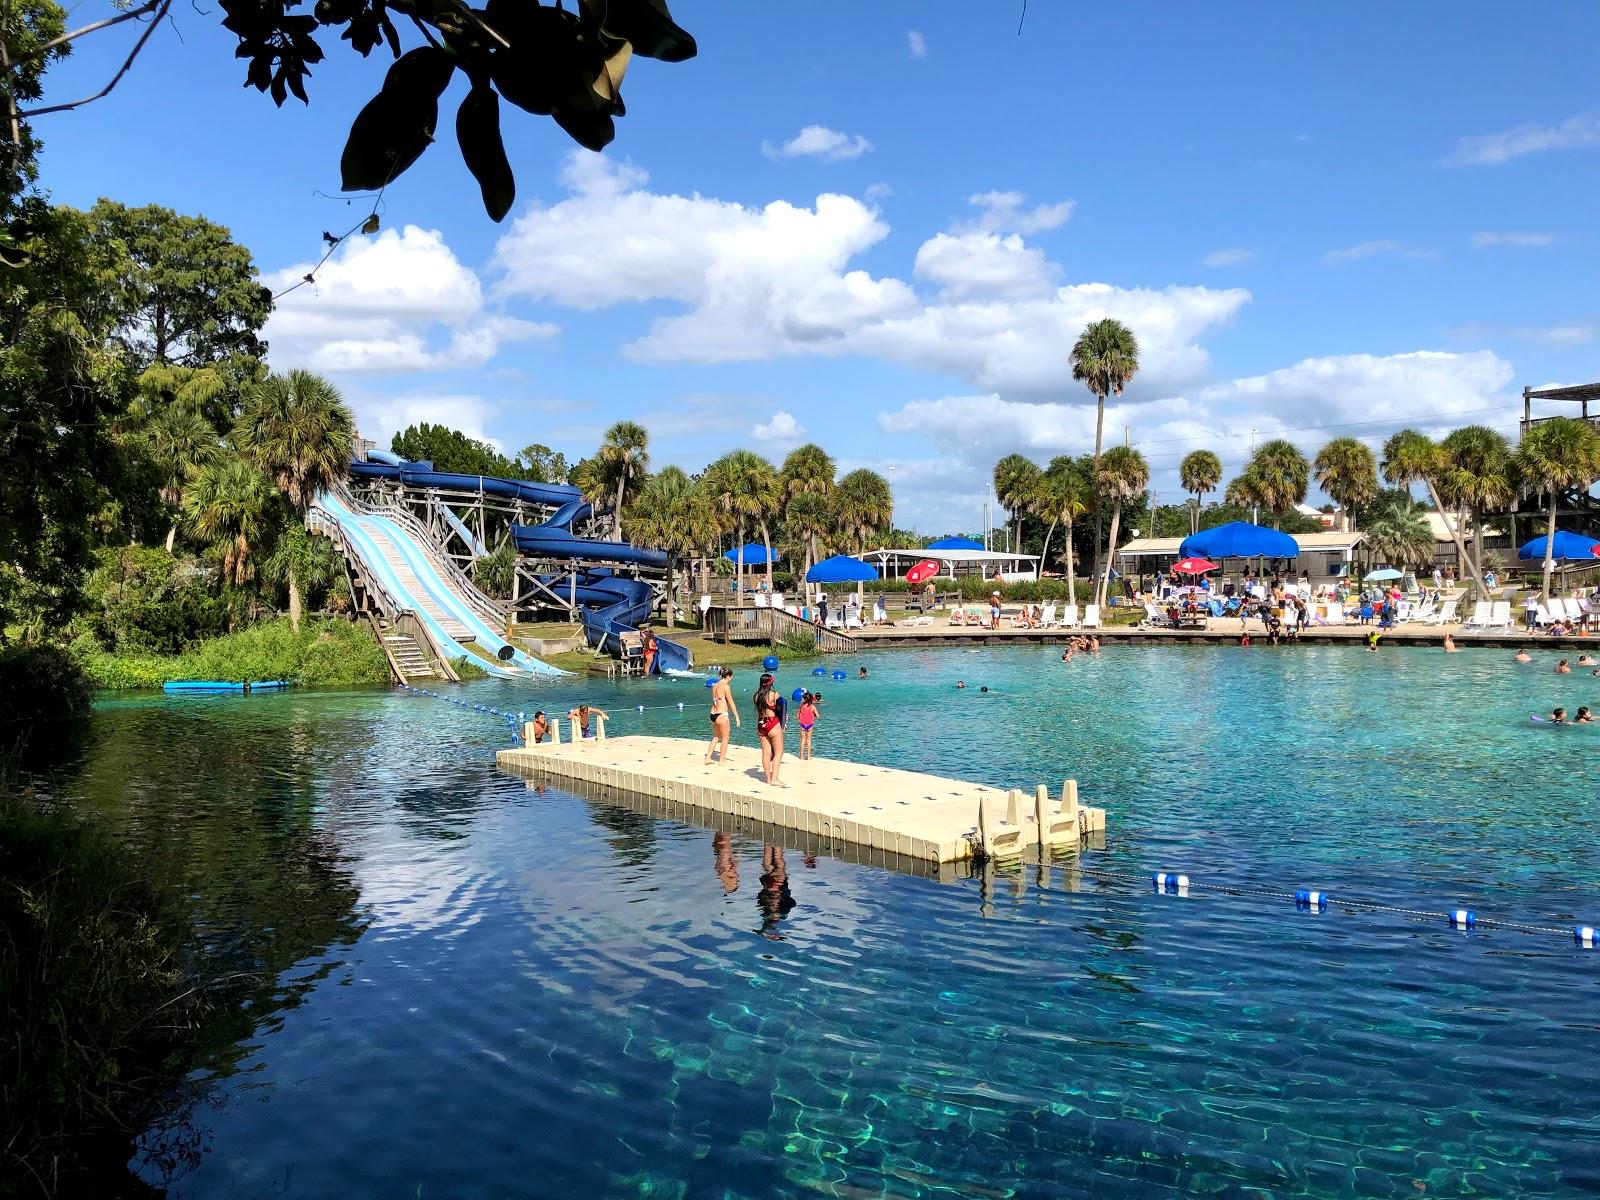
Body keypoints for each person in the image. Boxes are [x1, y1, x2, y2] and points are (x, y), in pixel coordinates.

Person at [753, 673, 785, 786]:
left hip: (761, 724)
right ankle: (775, 779)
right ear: (771, 683)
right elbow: (782, 708)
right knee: (778, 752)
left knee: (766, 753)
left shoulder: (756, 696)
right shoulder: (773, 695)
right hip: (772, 723)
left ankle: (768, 779)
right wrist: (783, 723)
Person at [704, 666, 740, 766]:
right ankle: (721, 760)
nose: (732, 678)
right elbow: (731, 702)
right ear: (728, 676)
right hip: (721, 715)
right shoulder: (726, 687)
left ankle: (708, 758)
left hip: (713, 714)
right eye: (731, 676)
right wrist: (736, 717)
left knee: (716, 736)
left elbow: (716, 699)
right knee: (725, 737)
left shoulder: (714, 685)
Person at [797, 691, 818, 759]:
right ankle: (808, 756)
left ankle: (801, 756)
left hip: (803, 724)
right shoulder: (812, 706)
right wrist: (813, 715)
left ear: (805, 699)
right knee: (809, 740)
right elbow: (818, 715)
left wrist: (800, 717)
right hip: (810, 725)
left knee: (803, 740)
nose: (801, 699)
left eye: (802, 698)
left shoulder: (801, 706)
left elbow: (797, 716)